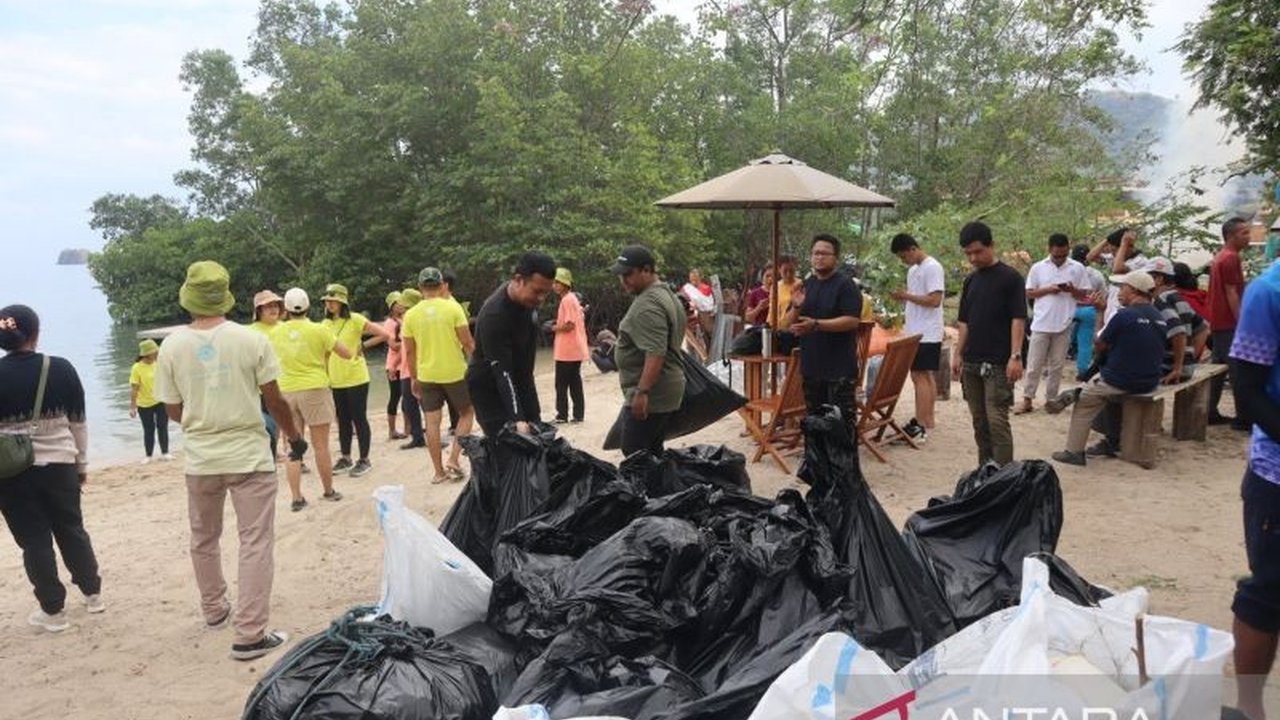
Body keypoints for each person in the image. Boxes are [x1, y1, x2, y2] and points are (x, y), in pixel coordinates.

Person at [153, 261, 307, 661]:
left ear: (189, 298)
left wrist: (198, 416)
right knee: (254, 541)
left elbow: (172, 410)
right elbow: (274, 400)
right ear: (225, 296)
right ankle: (251, 634)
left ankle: (215, 610)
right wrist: (293, 436)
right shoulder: (250, 340)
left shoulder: (170, 346)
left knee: (203, 537)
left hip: (200, 458)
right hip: (249, 454)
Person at [0, 304, 103, 633]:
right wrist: (81, 464)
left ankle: (53, 612)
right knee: (72, 528)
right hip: (60, 465)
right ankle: (93, 594)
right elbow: (79, 424)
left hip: (12, 474)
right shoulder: (61, 368)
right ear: (35, 333)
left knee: (34, 540)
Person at [1226, 258, 1280, 720]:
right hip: (1277, 474)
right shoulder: (1270, 291)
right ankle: (1249, 707)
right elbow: (1247, 387)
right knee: (1269, 590)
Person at [1051, 271, 1167, 466]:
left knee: (1086, 401)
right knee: (1106, 393)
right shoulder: (1159, 317)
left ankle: (1074, 451)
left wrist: (1099, 314)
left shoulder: (1125, 315)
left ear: (1134, 290)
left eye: (1123, 288)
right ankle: (1111, 438)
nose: (1120, 292)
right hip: (1150, 380)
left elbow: (1099, 343)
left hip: (1121, 380)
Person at [951, 221, 1027, 467]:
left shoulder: (1011, 278)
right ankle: (985, 469)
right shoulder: (971, 281)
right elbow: (964, 322)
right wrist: (958, 353)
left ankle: (1005, 476)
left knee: (997, 421)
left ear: (991, 246)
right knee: (979, 421)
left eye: (978, 251)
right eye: (968, 253)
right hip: (972, 361)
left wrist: (1015, 356)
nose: (973, 258)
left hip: (998, 363)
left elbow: (1018, 318)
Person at [272, 287, 352, 511]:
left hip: (286, 390)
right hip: (315, 388)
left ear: (285, 309)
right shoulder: (320, 330)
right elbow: (346, 353)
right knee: (321, 446)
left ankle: (297, 498)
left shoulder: (275, 333)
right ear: (307, 307)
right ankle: (328, 491)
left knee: (293, 446)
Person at [466, 252, 557, 437]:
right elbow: (503, 373)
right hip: (488, 385)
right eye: (537, 291)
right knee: (506, 444)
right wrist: (518, 418)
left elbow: (526, 369)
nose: (541, 299)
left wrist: (533, 415)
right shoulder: (495, 315)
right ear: (518, 280)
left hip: (515, 377)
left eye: (546, 293)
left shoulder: (528, 306)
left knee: (536, 435)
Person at [784, 233, 862, 435]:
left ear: (836, 258)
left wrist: (817, 325)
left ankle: (840, 468)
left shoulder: (845, 286)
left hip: (839, 369)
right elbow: (786, 324)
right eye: (815, 253)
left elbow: (852, 320)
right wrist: (795, 306)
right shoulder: (806, 285)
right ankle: (817, 466)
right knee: (815, 425)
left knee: (841, 427)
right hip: (812, 367)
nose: (819, 257)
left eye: (824, 254)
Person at [403, 267, 476, 483]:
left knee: (432, 422)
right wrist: (477, 367)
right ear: (441, 284)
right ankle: (453, 458)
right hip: (454, 372)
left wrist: (414, 378)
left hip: (427, 375)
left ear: (420, 287)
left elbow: (409, 351)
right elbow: (467, 343)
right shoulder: (453, 309)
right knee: (467, 413)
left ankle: (438, 472)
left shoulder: (410, 315)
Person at [612, 245, 686, 455]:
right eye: (620, 275)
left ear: (646, 270)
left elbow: (656, 353)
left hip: (653, 394)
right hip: (664, 389)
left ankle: (648, 489)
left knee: (635, 453)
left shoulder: (647, 305)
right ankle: (658, 488)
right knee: (652, 452)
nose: (623, 281)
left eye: (628, 274)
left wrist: (642, 392)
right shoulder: (665, 294)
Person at [321, 283, 391, 477]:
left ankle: (364, 459)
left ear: (342, 301)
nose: (329, 304)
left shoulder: (355, 320)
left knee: (359, 418)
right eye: (327, 300)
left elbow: (384, 334)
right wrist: (324, 375)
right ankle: (345, 457)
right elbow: (325, 353)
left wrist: (363, 345)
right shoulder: (325, 325)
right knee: (342, 420)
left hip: (356, 377)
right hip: (335, 379)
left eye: (333, 300)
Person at [1018, 233, 1090, 414]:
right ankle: (1027, 399)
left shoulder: (1077, 268)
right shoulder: (1038, 268)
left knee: (1057, 366)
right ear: (1049, 250)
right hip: (1041, 322)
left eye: (1064, 255)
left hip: (1064, 323)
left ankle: (1051, 400)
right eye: (1056, 255)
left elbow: (1085, 295)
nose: (1060, 258)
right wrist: (1049, 289)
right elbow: (1029, 293)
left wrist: (1072, 289)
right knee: (1034, 364)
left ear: (1068, 250)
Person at [891, 233, 945, 441]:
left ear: (912, 249)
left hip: (927, 331)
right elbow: (916, 299)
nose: (903, 261)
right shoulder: (913, 270)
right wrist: (904, 297)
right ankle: (928, 418)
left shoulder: (932, 267)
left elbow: (934, 300)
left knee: (919, 375)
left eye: (903, 256)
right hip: (914, 329)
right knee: (924, 375)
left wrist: (906, 296)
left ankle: (921, 421)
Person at [1208, 217, 1251, 429]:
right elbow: (1231, 292)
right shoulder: (1230, 258)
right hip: (1228, 323)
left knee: (1217, 369)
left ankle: (1209, 410)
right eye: (1244, 233)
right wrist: (1242, 322)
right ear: (1232, 236)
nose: (1248, 236)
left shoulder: (1220, 257)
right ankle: (1243, 418)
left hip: (1218, 322)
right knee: (1238, 370)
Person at [1148, 257, 1210, 384]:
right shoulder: (1178, 298)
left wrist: (1177, 367)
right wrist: (1190, 359)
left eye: (1146, 276)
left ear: (1158, 279)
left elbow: (1178, 331)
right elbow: (1203, 328)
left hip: (1167, 368)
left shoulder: (1161, 300)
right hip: (1186, 368)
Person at [248, 290, 285, 459]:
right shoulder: (250, 332)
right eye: (268, 306)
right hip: (262, 386)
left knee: (289, 419)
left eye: (276, 305)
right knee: (268, 422)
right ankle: (274, 450)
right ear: (259, 310)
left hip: (287, 382)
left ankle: (291, 450)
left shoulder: (286, 328)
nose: (273, 309)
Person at [551, 267, 588, 423]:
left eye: (557, 282)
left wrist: (552, 328)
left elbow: (569, 325)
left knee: (561, 384)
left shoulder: (567, 300)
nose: (554, 285)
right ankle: (578, 415)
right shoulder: (573, 299)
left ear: (564, 284)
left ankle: (562, 415)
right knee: (574, 382)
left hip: (567, 350)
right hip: (575, 349)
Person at [129, 338, 172, 462]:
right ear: (148, 353)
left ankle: (165, 453)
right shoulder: (137, 368)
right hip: (144, 404)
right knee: (149, 430)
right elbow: (134, 389)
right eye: (155, 352)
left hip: (160, 401)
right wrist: (133, 407)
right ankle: (148, 455)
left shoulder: (158, 363)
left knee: (162, 426)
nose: (157, 354)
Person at [1069, 244, 1108, 378]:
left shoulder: (1068, 271)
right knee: (1085, 342)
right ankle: (1082, 371)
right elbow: (1103, 294)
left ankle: (1053, 368)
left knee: (1060, 338)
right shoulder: (1097, 274)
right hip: (1088, 310)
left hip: (1070, 309)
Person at [394, 289, 426, 450]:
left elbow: (409, 348)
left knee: (416, 404)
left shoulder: (409, 319)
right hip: (412, 366)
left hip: (412, 368)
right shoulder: (416, 318)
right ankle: (419, 436)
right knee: (415, 404)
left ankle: (419, 437)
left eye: (402, 302)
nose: (398, 305)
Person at [377, 291, 407, 441]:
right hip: (394, 365)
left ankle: (409, 428)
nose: (401, 305)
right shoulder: (390, 323)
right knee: (395, 397)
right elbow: (393, 346)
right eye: (398, 303)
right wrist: (408, 341)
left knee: (409, 398)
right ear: (392, 306)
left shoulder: (405, 320)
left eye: (402, 302)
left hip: (406, 364)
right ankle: (392, 430)